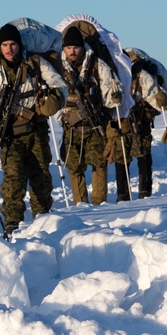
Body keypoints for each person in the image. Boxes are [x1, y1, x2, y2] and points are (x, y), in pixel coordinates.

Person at [0, 22, 66, 234]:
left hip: (36, 131)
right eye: (4, 45)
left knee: (41, 177)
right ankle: (12, 221)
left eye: (12, 44)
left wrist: (55, 99)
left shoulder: (35, 64)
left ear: (19, 45)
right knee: (13, 180)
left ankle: (43, 221)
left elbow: (59, 84)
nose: (8, 49)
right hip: (9, 135)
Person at [57, 26, 122, 205]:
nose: (72, 51)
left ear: (82, 47)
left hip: (95, 125)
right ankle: (80, 205)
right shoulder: (58, 68)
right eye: (68, 48)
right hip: (71, 127)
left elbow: (110, 91)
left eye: (76, 47)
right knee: (73, 166)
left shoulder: (97, 65)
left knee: (99, 163)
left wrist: (115, 96)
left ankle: (99, 204)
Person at [124, 57, 167, 198]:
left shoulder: (143, 77)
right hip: (123, 122)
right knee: (122, 157)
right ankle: (123, 195)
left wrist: (162, 103)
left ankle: (144, 192)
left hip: (141, 121)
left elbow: (153, 96)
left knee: (143, 154)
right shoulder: (117, 75)